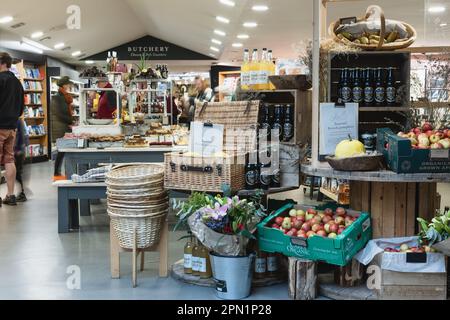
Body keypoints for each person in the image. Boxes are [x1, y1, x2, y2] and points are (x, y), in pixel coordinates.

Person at [0, 52, 24, 206]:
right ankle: (10, 195)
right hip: (12, 126)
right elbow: (22, 108)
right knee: (9, 159)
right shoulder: (17, 82)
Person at [50, 76, 74, 181]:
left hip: (63, 126)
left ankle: (59, 173)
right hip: (60, 127)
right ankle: (57, 174)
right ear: (64, 85)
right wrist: (70, 121)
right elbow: (59, 114)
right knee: (62, 151)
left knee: (63, 151)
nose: (69, 86)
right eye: (68, 84)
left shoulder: (64, 96)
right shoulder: (57, 97)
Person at [14, 119, 28, 202]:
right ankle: (22, 192)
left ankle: (22, 193)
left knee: (18, 173)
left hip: (18, 151)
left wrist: (20, 149)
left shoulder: (18, 121)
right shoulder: (18, 121)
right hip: (17, 151)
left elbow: (22, 136)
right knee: (17, 173)